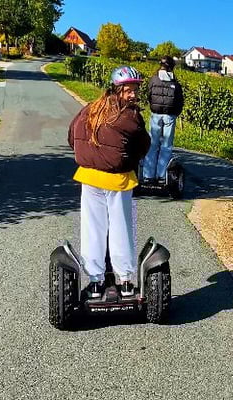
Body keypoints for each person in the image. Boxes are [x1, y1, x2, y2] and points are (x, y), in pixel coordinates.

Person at [67, 66, 151, 298]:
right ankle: (125, 281)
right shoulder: (130, 116)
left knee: (92, 229)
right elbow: (143, 147)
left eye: (135, 89)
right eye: (129, 90)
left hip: (89, 177)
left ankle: (95, 282)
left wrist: (91, 156)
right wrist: (127, 160)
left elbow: (72, 136)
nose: (133, 94)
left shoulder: (89, 109)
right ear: (117, 89)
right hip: (118, 180)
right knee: (121, 228)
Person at [143, 55, 184, 182]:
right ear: (171, 67)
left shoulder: (153, 80)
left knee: (152, 145)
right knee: (166, 146)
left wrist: (153, 106)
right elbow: (179, 101)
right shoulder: (175, 83)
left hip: (156, 114)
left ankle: (148, 175)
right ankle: (162, 176)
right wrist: (175, 113)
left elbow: (149, 95)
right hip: (170, 116)